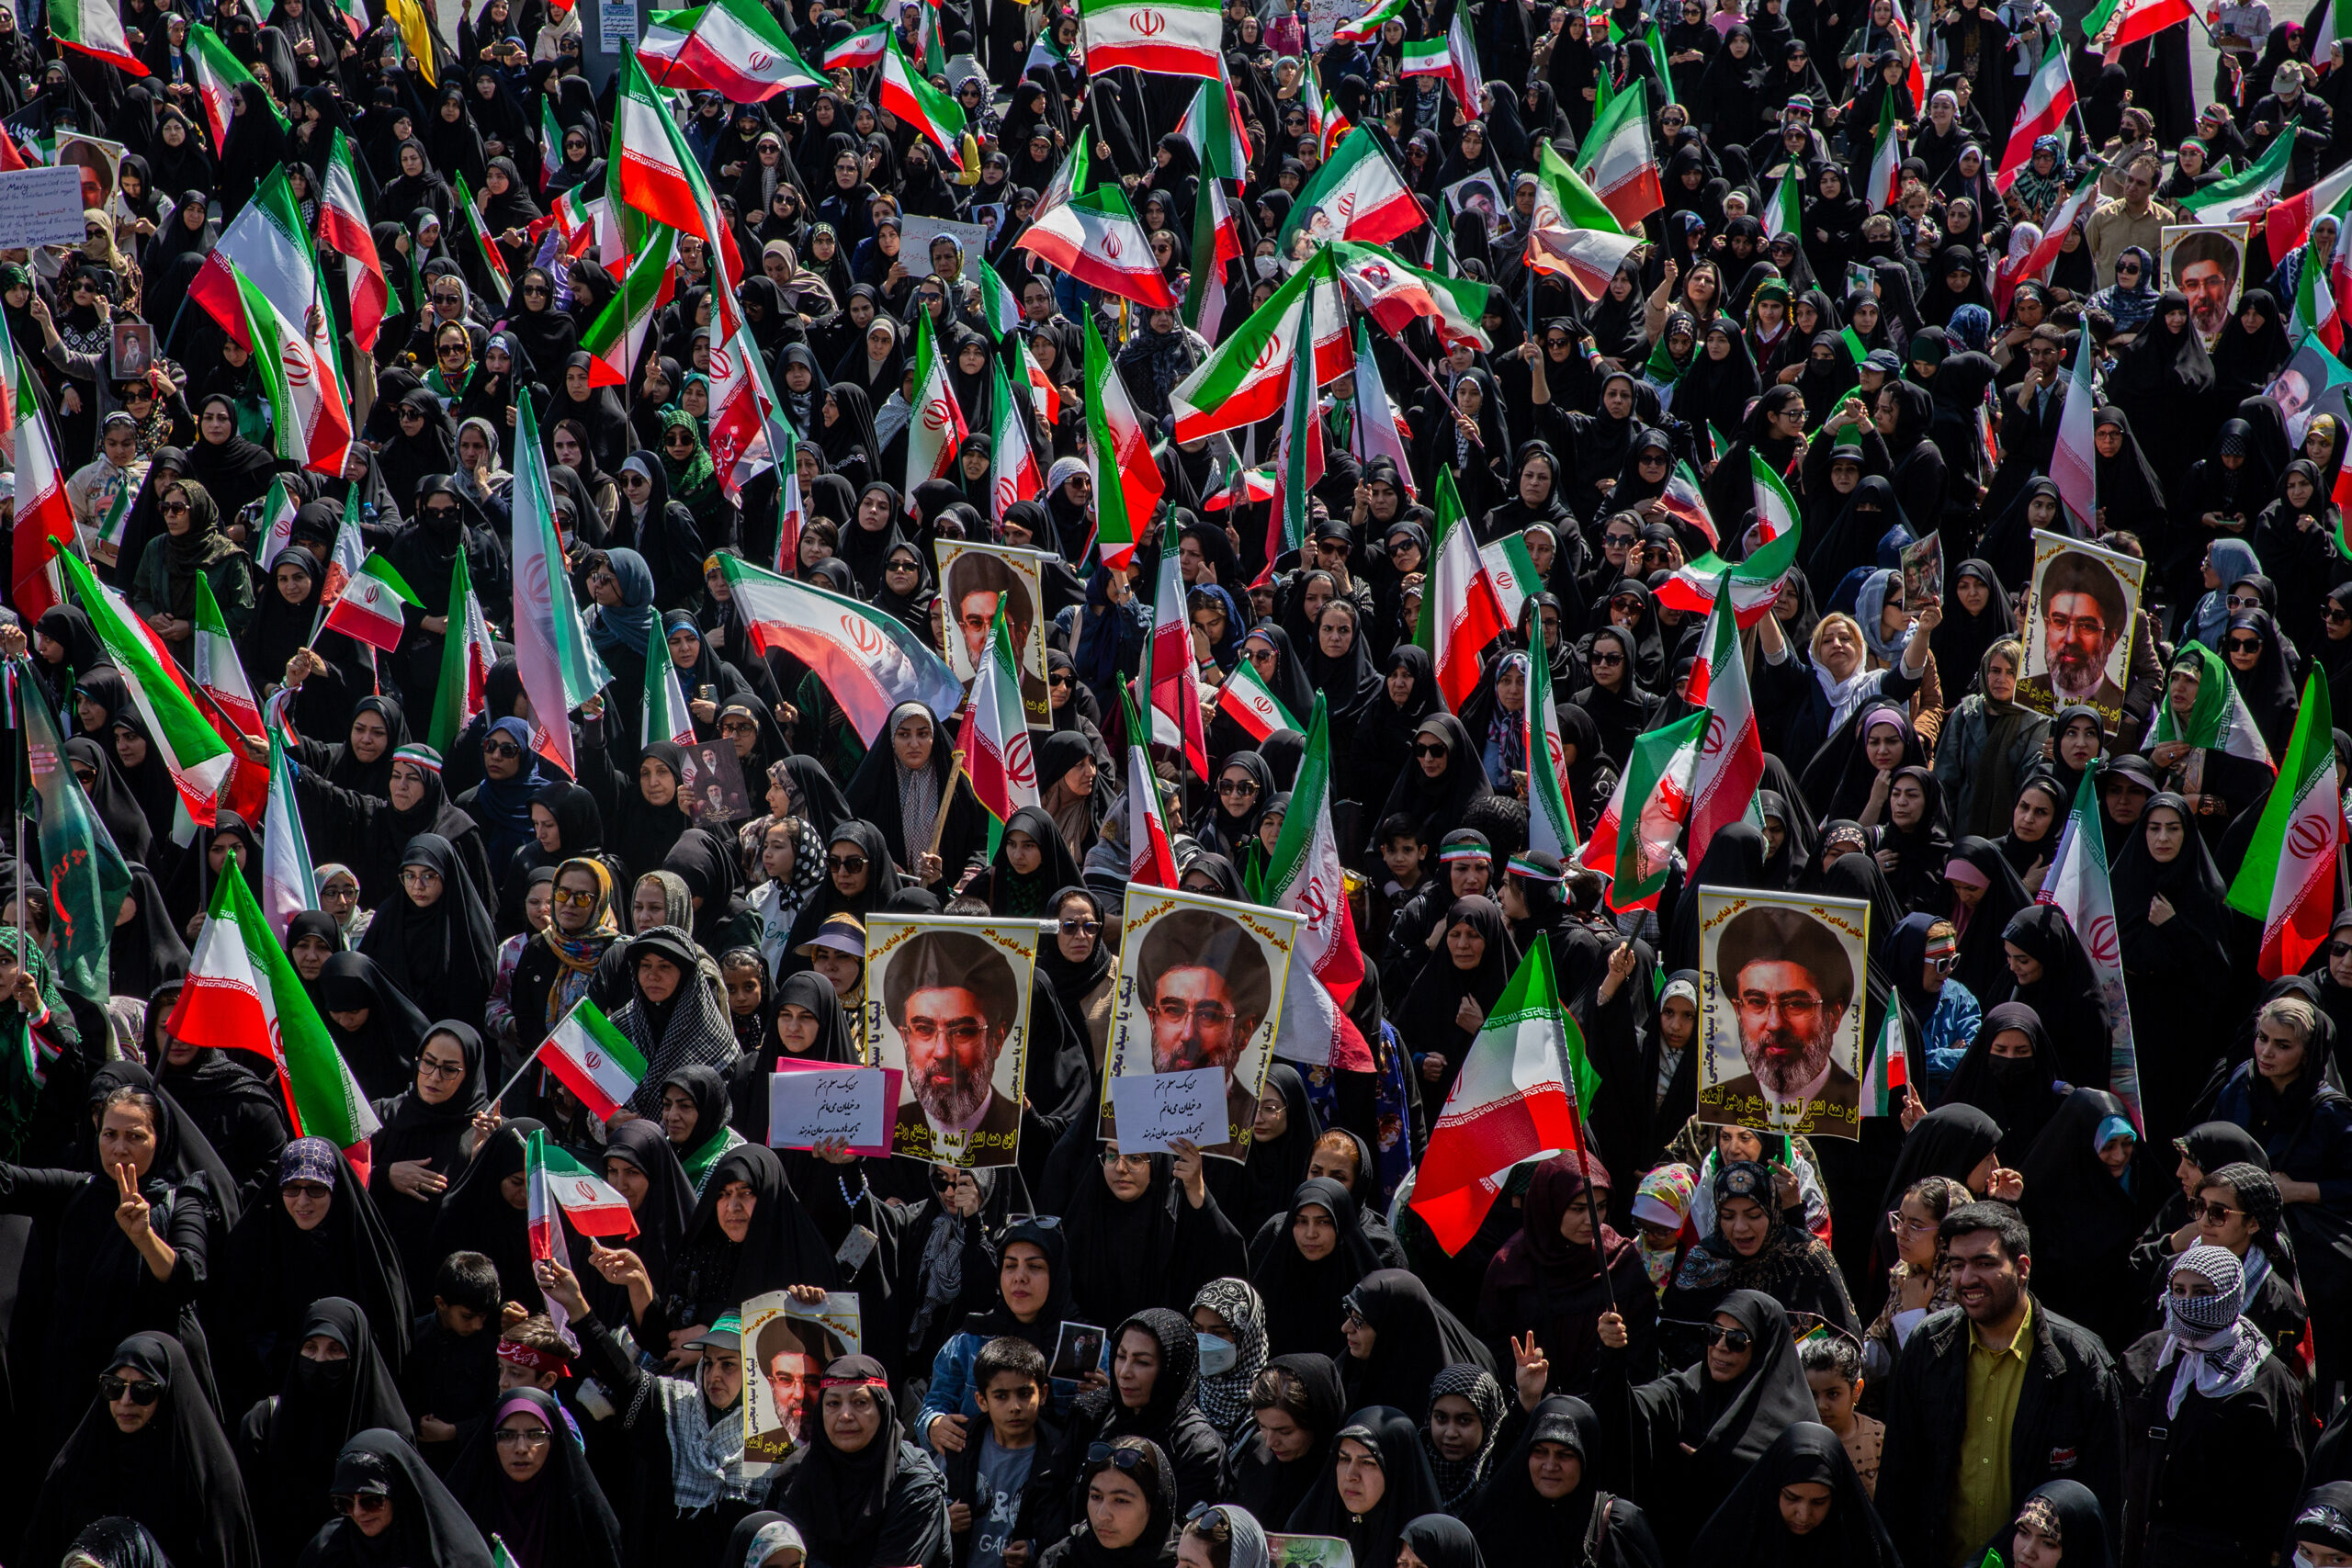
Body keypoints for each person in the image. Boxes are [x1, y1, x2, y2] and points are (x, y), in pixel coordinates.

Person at [1874, 1202, 2125, 1568]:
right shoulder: (1928, 1347)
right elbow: (1899, 1480)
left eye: (1985, 1263)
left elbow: (2102, 1499)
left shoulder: (2078, 1361)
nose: (1967, 1278)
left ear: (2022, 1268)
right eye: (1957, 1265)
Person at [1702, 904, 1861, 1128]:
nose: (1775, 1024)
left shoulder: (1859, 1107)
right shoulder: (1716, 1108)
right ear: (1738, 1011)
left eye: (1796, 1004)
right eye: (1757, 1002)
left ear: (1833, 1015)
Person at [886, 927, 1025, 1164]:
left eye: (962, 1032)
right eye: (924, 1029)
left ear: (997, 1040)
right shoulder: (889, 1129)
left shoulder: (1020, 1128)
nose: (942, 1052)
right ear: (905, 1039)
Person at [2019, 550, 2132, 713]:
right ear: (2046, 626)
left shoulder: (2118, 708)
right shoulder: (2025, 692)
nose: (2071, 639)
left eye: (2086, 626)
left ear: (2110, 640)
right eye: (2059, 621)